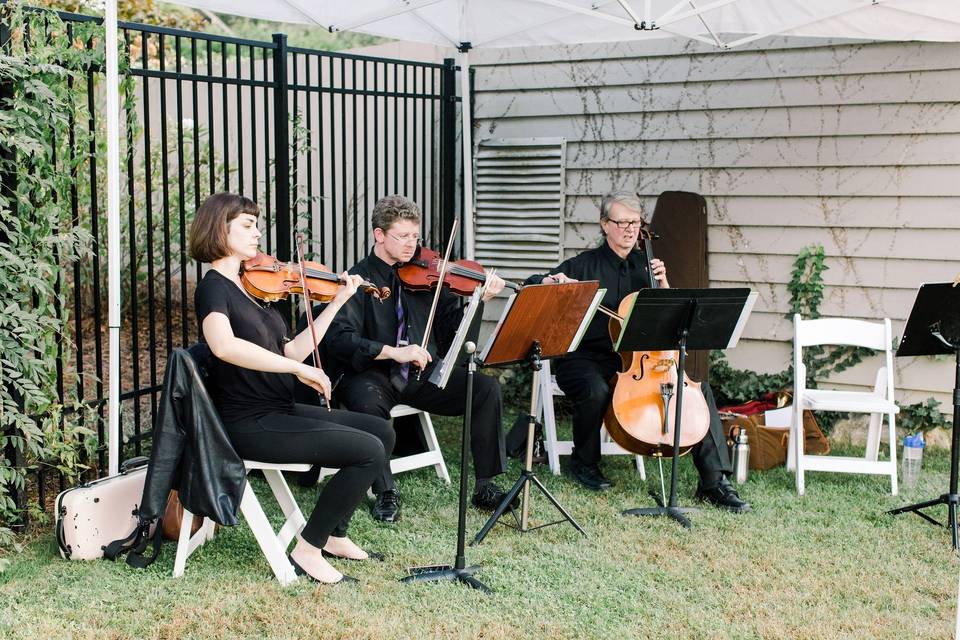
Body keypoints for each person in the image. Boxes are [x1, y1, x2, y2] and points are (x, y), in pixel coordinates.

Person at [189, 192, 397, 584]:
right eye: (247, 225)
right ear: (220, 228)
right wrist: (295, 370)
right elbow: (224, 346)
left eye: (257, 225)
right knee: (368, 452)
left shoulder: (252, 289)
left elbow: (293, 350)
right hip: (248, 422)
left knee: (381, 431)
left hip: (277, 408)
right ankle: (308, 548)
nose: (257, 234)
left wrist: (337, 303)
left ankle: (334, 535)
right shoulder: (213, 287)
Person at [524, 191, 751, 513]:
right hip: (588, 357)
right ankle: (584, 462)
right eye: (621, 222)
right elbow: (532, 282)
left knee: (698, 391)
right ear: (605, 225)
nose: (630, 229)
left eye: (635, 222)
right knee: (595, 389)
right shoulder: (583, 264)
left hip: (639, 361)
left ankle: (714, 481)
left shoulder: (649, 267)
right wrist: (550, 280)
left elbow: (672, 324)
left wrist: (665, 287)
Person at [323, 195, 512, 523]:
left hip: (421, 374)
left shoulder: (430, 276)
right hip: (372, 375)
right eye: (403, 236)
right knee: (367, 403)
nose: (411, 245)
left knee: (484, 390)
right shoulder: (359, 279)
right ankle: (385, 490)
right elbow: (340, 339)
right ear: (379, 236)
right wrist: (395, 352)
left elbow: (455, 335)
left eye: (415, 236)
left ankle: (486, 484)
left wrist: (479, 301)